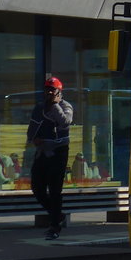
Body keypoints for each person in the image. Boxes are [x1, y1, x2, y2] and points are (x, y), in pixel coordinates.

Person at [28, 76, 74, 239]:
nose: (49, 93)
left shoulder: (65, 106)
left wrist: (55, 105)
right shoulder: (39, 107)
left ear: (59, 92)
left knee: (55, 189)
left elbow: (65, 122)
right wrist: (33, 139)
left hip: (59, 151)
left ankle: (54, 226)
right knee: (37, 187)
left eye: (52, 90)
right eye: (47, 89)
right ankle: (57, 214)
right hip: (42, 151)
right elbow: (32, 127)